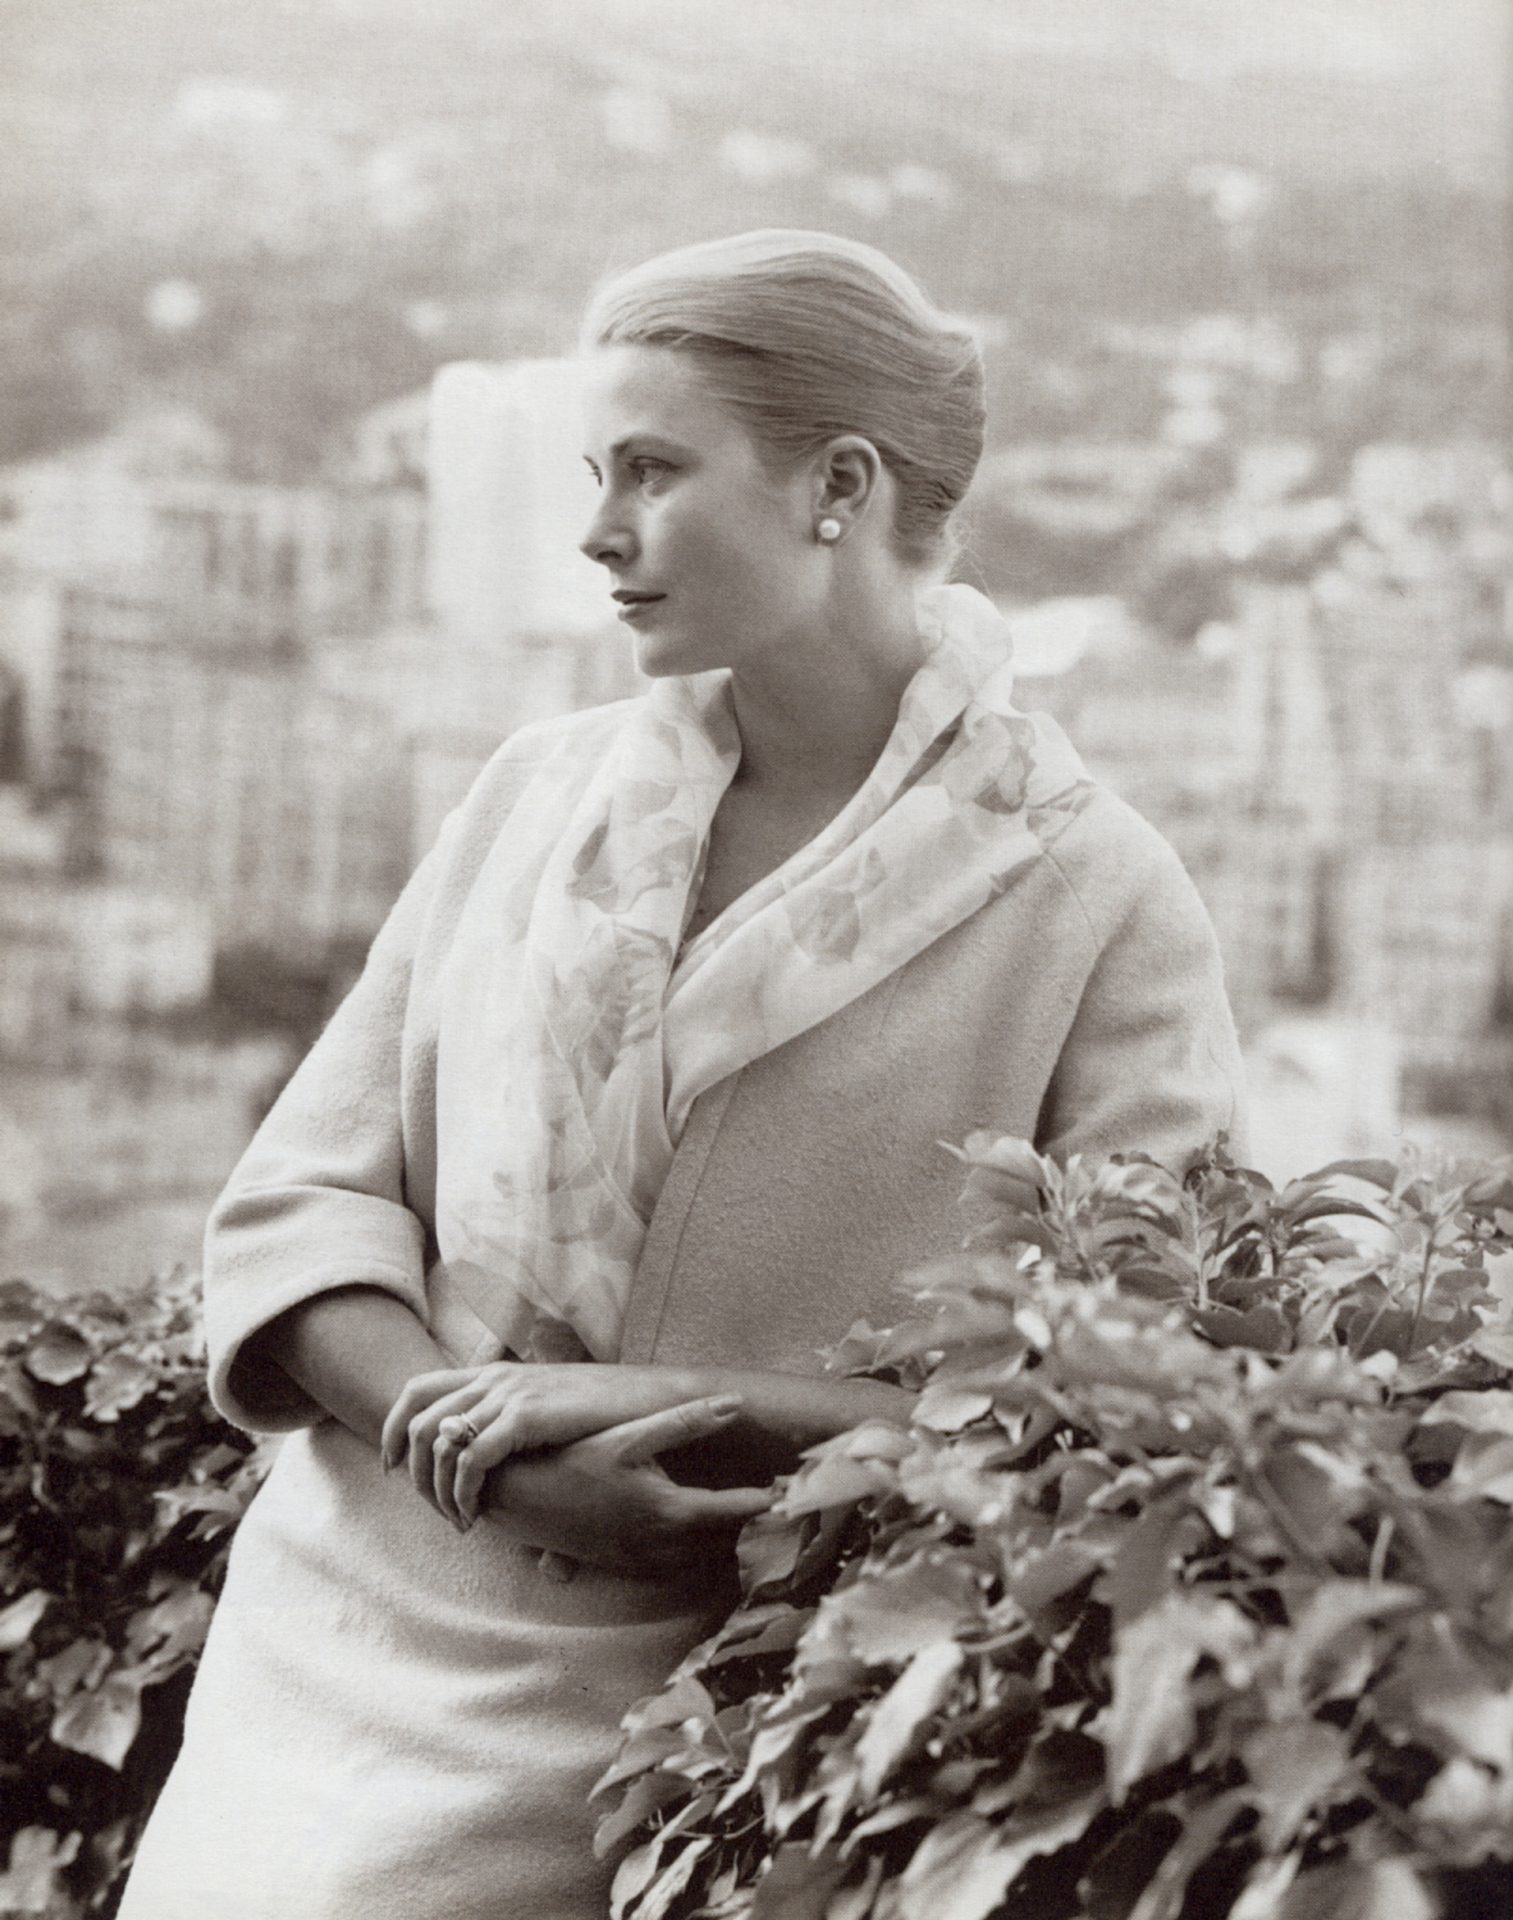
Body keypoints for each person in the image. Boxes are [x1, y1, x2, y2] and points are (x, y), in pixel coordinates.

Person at [118, 229, 1247, 1920]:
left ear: (837, 487)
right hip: (330, 1646)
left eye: (650, 471)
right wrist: (483, 1441)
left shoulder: (1095, 897)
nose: (595, 531)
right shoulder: (530, 793)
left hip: (706, 1710)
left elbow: (1134, 1395)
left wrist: (664, 1422)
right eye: (596, 472)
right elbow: (300, 1210)